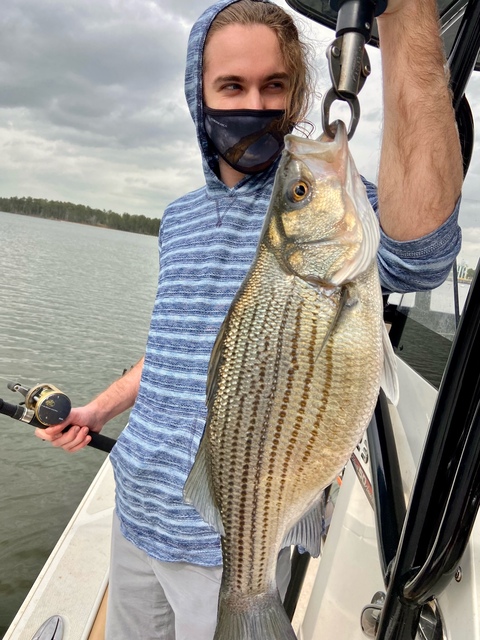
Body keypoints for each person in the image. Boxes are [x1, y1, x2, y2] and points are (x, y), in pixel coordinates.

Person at [36, 1, 463, 638]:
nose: (254, 103)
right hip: (135, 508)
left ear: (296, 95)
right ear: (197, 93)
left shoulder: (332, 208)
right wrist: (100, 410)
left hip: (229, 538)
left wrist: (406, 16)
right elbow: (178, 352)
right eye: (232, 86)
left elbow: (422, 256)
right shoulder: (178, 218)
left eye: (274, 85)